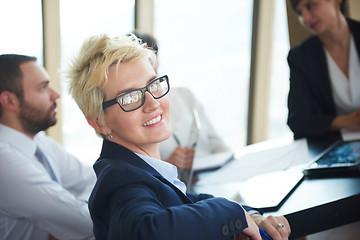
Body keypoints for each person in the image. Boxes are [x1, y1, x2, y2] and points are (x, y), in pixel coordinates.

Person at [66, 33, 291, 240]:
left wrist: (247, 215)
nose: (153, 103)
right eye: (130, 97)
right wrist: (229, 212)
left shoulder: (142, 170)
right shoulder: (121, 183)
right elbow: (145, 231)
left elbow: (187, 199)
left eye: (153, 85)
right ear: (99, 122)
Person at [0, 54, 96, 240]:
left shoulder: (39, 140)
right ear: (9, 101)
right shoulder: (3, 161)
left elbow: (94, 179)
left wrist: (61, 225)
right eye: (42, 87)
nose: (56, 94)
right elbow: (87, 223)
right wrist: (67, 221)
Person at [133, 31, 231, 172]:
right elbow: (138, 170)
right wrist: (167, 165)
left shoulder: (185, 95)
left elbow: (218, 144)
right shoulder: (135, 117)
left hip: (213, 175)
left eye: (151, 60)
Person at [287, 0, 360, 140]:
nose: (306, 18)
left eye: (310, 6)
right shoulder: (300, 57)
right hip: (338, 149)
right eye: (300, 12)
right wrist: (345, 122)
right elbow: (297, 120)